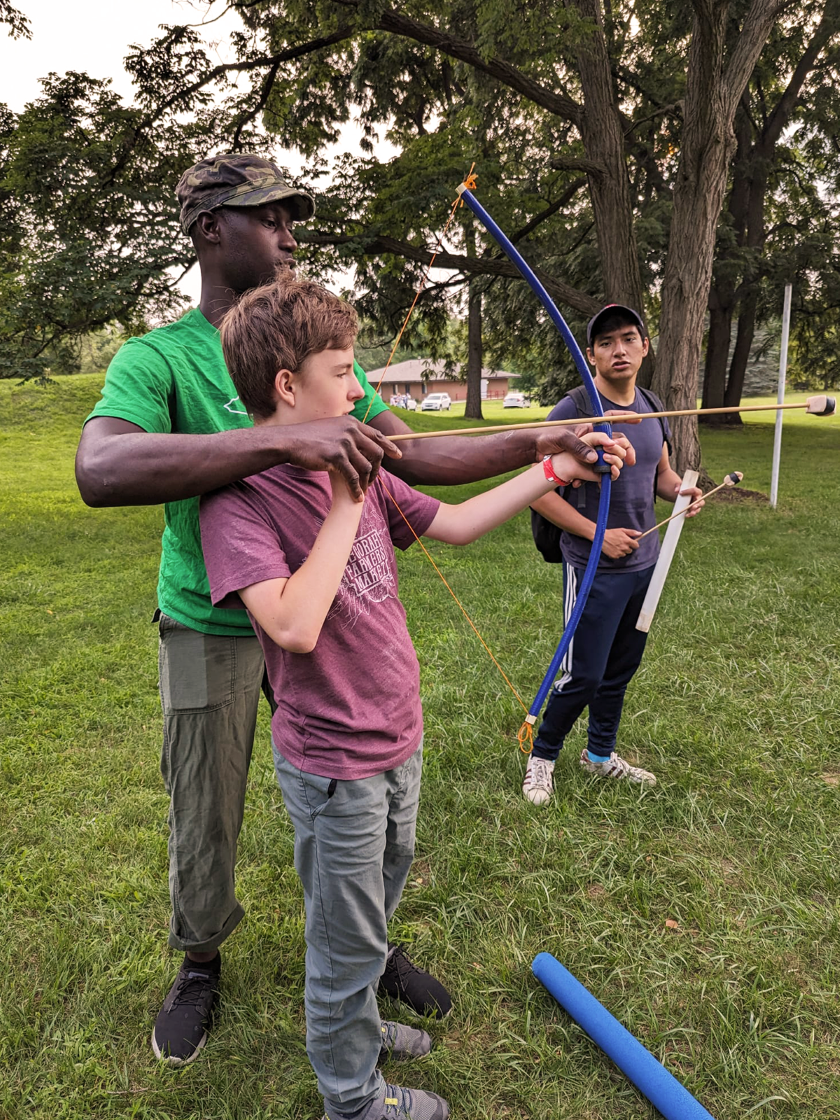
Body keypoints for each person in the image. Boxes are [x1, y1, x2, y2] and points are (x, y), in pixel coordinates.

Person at [73, 152, 612, 1066]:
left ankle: (364, 947)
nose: (288, 236)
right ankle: (201, 962)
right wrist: (281, 443)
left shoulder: (320, 358)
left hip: (323, 617)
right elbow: (101, 468)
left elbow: (411, 464)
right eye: (269, 217)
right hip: (217, 616)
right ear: (211, 230)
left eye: (292, 218)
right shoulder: (155, 356)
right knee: (205, 805)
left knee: (348, 796)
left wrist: (539, 441)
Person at [198, 274, 629, 1120]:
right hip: (335, 765)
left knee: (377, 907)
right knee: (343, 940)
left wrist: (553, 464)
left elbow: (459, 523)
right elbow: (291, 626)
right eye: (343, 369)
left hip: (398, 739)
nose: (359, 388)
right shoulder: (238, 499)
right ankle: (351, 1099)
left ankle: (358, 1020)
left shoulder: (360, 464)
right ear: (288, 387)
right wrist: (345, 500)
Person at [522, 304, 705, 806]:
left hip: (644, 567)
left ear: (645, 346)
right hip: (592, 565)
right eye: (605, 342)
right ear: (591, 354)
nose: (617, 349)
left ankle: (599, 755)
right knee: (583, 673)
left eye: (628, 338)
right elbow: (534, 490)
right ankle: (542, 757)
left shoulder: (651, 406)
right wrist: (596, 535)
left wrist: (681, 493)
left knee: (620, 668)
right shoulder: (574, 410)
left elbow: (660, 476)